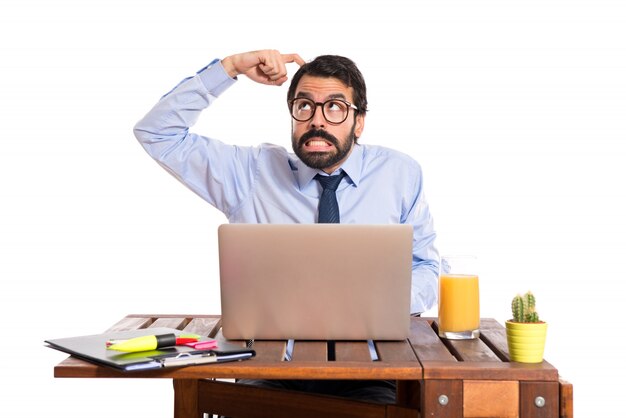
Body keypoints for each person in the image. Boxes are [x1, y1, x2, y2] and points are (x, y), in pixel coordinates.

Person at [134, 49, 439, 404]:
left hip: (368, 369)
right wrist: (229, 68)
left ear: (359, 121)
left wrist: (377, 306)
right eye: (304, 106)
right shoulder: (250, 172)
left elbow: (427, 267)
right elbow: (156, 133)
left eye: (335, 107)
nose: (317, 120)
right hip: (270, 368)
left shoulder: (398, 174)